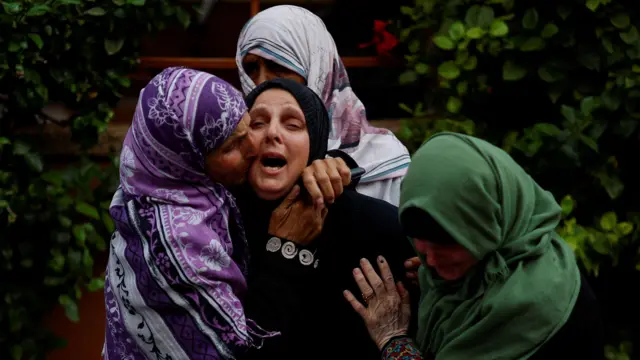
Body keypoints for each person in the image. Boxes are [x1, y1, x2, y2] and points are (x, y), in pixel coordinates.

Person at [102, 67, 353, 360]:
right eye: (232, 146)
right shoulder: (179, 244)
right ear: (191, 161)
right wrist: (283, 250)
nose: (254, 146)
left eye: (247, 127)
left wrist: (334, 165)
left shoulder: (165, 186)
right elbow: (237, 353)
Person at [343, 133, 604, 360]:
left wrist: (392, 339)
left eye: (448, 243)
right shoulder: (471, 276)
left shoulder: (534, 305)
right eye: (422, 245)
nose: (430, 262)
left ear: (488, 225)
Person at [235, 78, 417, 360]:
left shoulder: (374, 226)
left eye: (292, 124)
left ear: (316, 141)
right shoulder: (215, 226)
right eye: (257, 123)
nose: (271, 132)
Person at [235, 5, 411, 206]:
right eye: (251, 68)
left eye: (278, 66)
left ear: (317, 67)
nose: (262, 82)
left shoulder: (384, 159)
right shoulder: (238, 157)